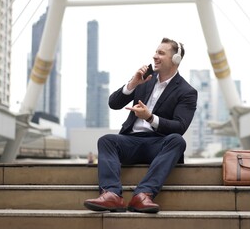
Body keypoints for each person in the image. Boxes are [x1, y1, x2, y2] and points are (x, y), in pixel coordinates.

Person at [83, 37, 197, 213]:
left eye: (161, 53)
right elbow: (113, 103)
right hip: (131, 141)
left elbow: (179, 127)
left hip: (159, 144)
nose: (155, 56)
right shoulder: (145, 78)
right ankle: (112, 195)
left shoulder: (186, 91)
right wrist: (133, 83)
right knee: (107, 140)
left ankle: (143, 195)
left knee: (177, 141)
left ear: (175, 59)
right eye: (155, 52)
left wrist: (150, 117)